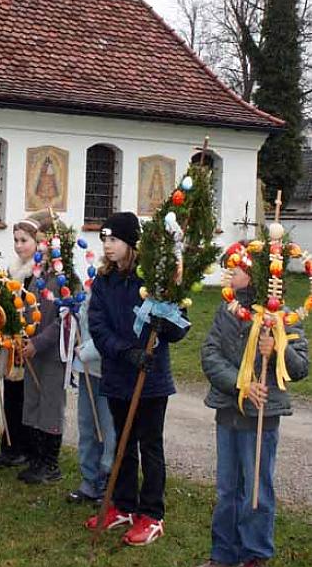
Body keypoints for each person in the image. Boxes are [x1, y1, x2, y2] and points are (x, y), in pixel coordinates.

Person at [196, 247, 308, 567]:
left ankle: (255, 557)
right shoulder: (227, 310)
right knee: (227, 487)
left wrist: (278, 348)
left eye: (236, 268)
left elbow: (300, 367)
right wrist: (240, 383)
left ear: (255, 273)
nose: (229, 273)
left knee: (256, 490)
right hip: (228, 410)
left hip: (263, 416)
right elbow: (210, 353)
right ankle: (224, 551)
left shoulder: (282, 316)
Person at [87, 212, 188, 545]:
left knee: (150, 444)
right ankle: (124, 505)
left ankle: (152, 513)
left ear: (131, 243)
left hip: (151, 379)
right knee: (123, 443)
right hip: (119, 373)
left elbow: (179, 328)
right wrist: (126, 352)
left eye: (113, 239)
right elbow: (98, 326)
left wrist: (164, 323)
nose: (107, 245)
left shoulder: (154, 281)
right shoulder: (104, 281)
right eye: (104, 239)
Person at [17, 211, 66, 485]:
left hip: (51, 352)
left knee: (50, 405)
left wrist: (38, 342)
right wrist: (23, 335)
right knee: (32, 402)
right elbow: (30, 308)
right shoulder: (39, 274)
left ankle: (50, 463)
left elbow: (64, 320)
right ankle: (35, 458)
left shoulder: (63, 277)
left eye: (45, 241)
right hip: (32, 350)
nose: (41, 246)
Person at [0, 218, 38, 468]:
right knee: (11, 393)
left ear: (37, 242)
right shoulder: (12, 270)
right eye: (16, 240)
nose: (19, 246)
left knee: (25, 397)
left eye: (24, 241)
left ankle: (25, 447)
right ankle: (10, 445)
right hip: (11, 341)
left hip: (28, 341)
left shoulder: (37, 273)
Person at [67, 296, 116, 504]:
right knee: (87, 424)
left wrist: (88, 350)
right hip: (86, 369)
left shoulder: (116, 292)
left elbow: (115, 329)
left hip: (109, 370)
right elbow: (85, 320)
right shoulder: (91, 289)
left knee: (108, 428)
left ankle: (108, 479)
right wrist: (73, 315)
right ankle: (89, 479)